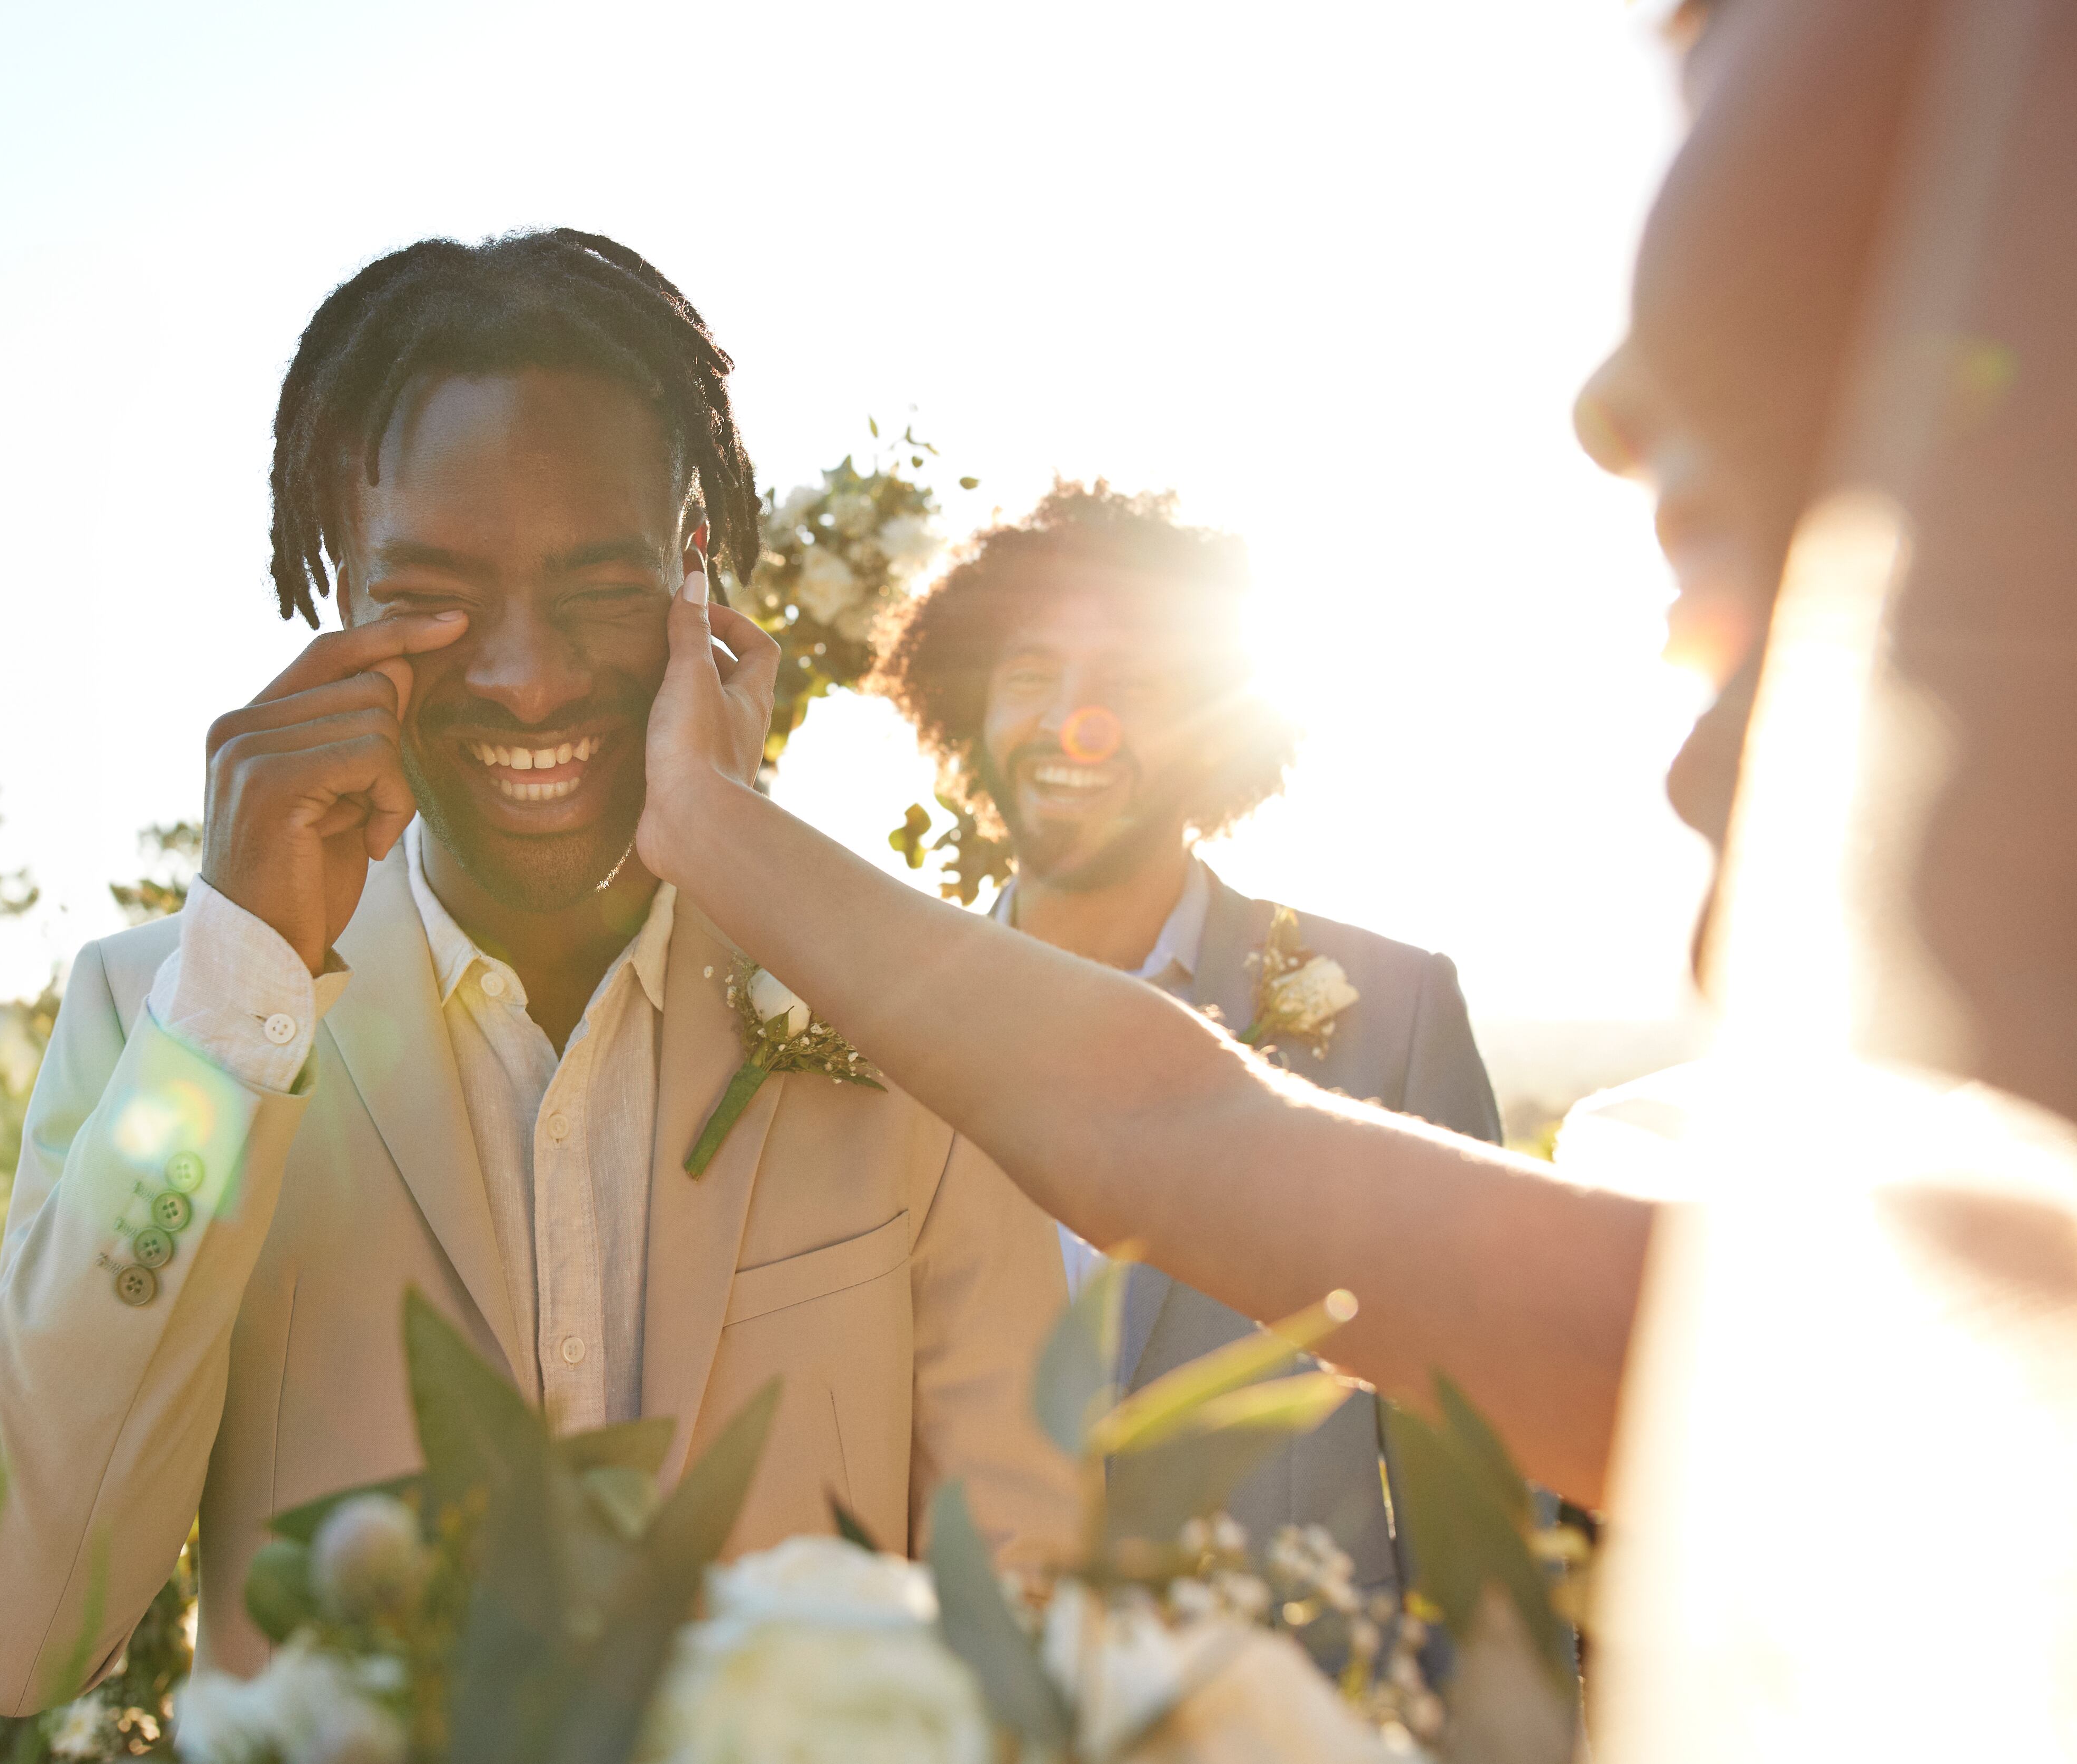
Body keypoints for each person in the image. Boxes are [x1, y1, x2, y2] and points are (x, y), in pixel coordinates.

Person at [628, 0, 2077, 1741]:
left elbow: (1436, 1443)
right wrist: (709, 827)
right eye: (1032, 678)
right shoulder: (1749, 1324)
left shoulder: (1442, 1046)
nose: (1611, 419)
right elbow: (1164, 1137)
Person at [0, 229, 1074, 1717]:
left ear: (695, 574)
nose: (526, 675)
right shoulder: (159, 1025)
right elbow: (12, 1624)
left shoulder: (908, 1022)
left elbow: (1029, 1617)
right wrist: (231, 1015)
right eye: (434, 597)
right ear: (336, 600)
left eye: (596, 586)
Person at [876, 479, 1500, 1601]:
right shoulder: (876, 1035)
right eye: (1030, 673)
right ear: (966, 702)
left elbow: (1476, 1442)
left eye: (1132, 684)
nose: (1075, 720)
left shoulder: (1392, 1016)